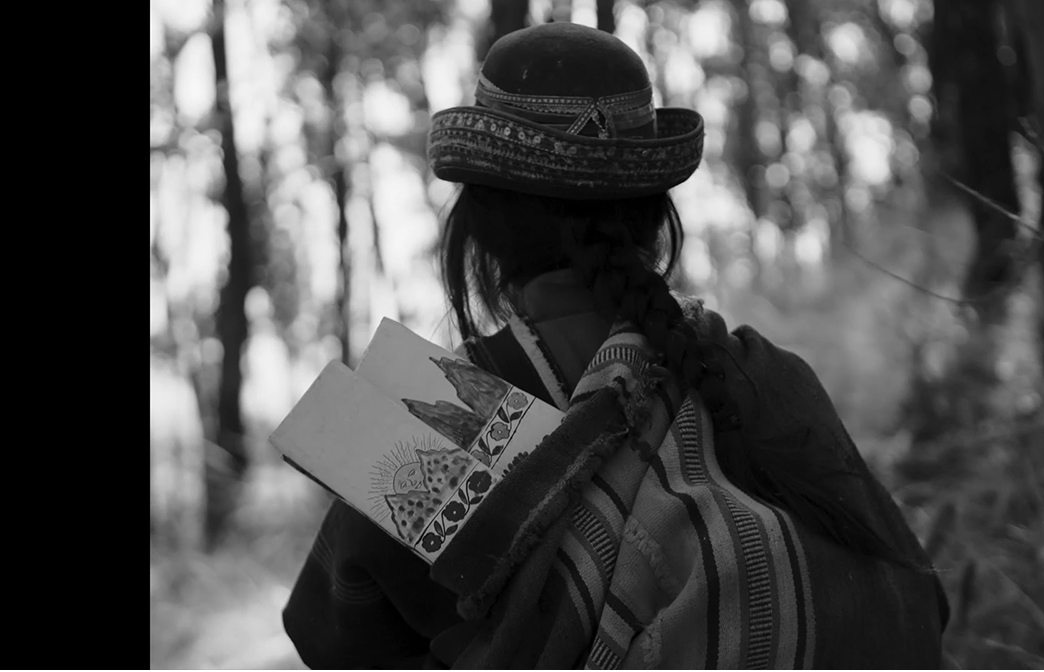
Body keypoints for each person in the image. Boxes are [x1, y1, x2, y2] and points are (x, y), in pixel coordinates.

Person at [282, 21, 949, 669]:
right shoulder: (762, 376)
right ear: (656, 216)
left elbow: (335, 640)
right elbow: (908, 593)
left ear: (477, 231)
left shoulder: (434, 413)